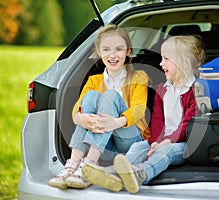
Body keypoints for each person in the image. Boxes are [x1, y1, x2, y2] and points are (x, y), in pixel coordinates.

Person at [82, 35, 206, 194]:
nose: (161, 63)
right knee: (138, 146)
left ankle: (141, 173)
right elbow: (157, 119)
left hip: (184, 143)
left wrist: (166, 142)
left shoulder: (195, 89)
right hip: (161, 139)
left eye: (166, 59)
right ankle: (112, 174)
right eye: (161, 58)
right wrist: (155, 141)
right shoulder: (163, 89)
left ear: (185, 63)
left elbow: (188, 124)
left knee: (164, 153)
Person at [48, 24, 150, 189]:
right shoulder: (93, 80)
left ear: (128, 51)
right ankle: (72, 165)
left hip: (130, 141)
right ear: (99, 51)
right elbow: (78, 107)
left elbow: (138, 109)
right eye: (106, 49)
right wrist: (80, 118)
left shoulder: (139, 77)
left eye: (119, 49)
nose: (112, 55)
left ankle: (89, 165)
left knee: (109, 96)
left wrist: (116, 122)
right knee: (90, 97)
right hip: (106, 147)